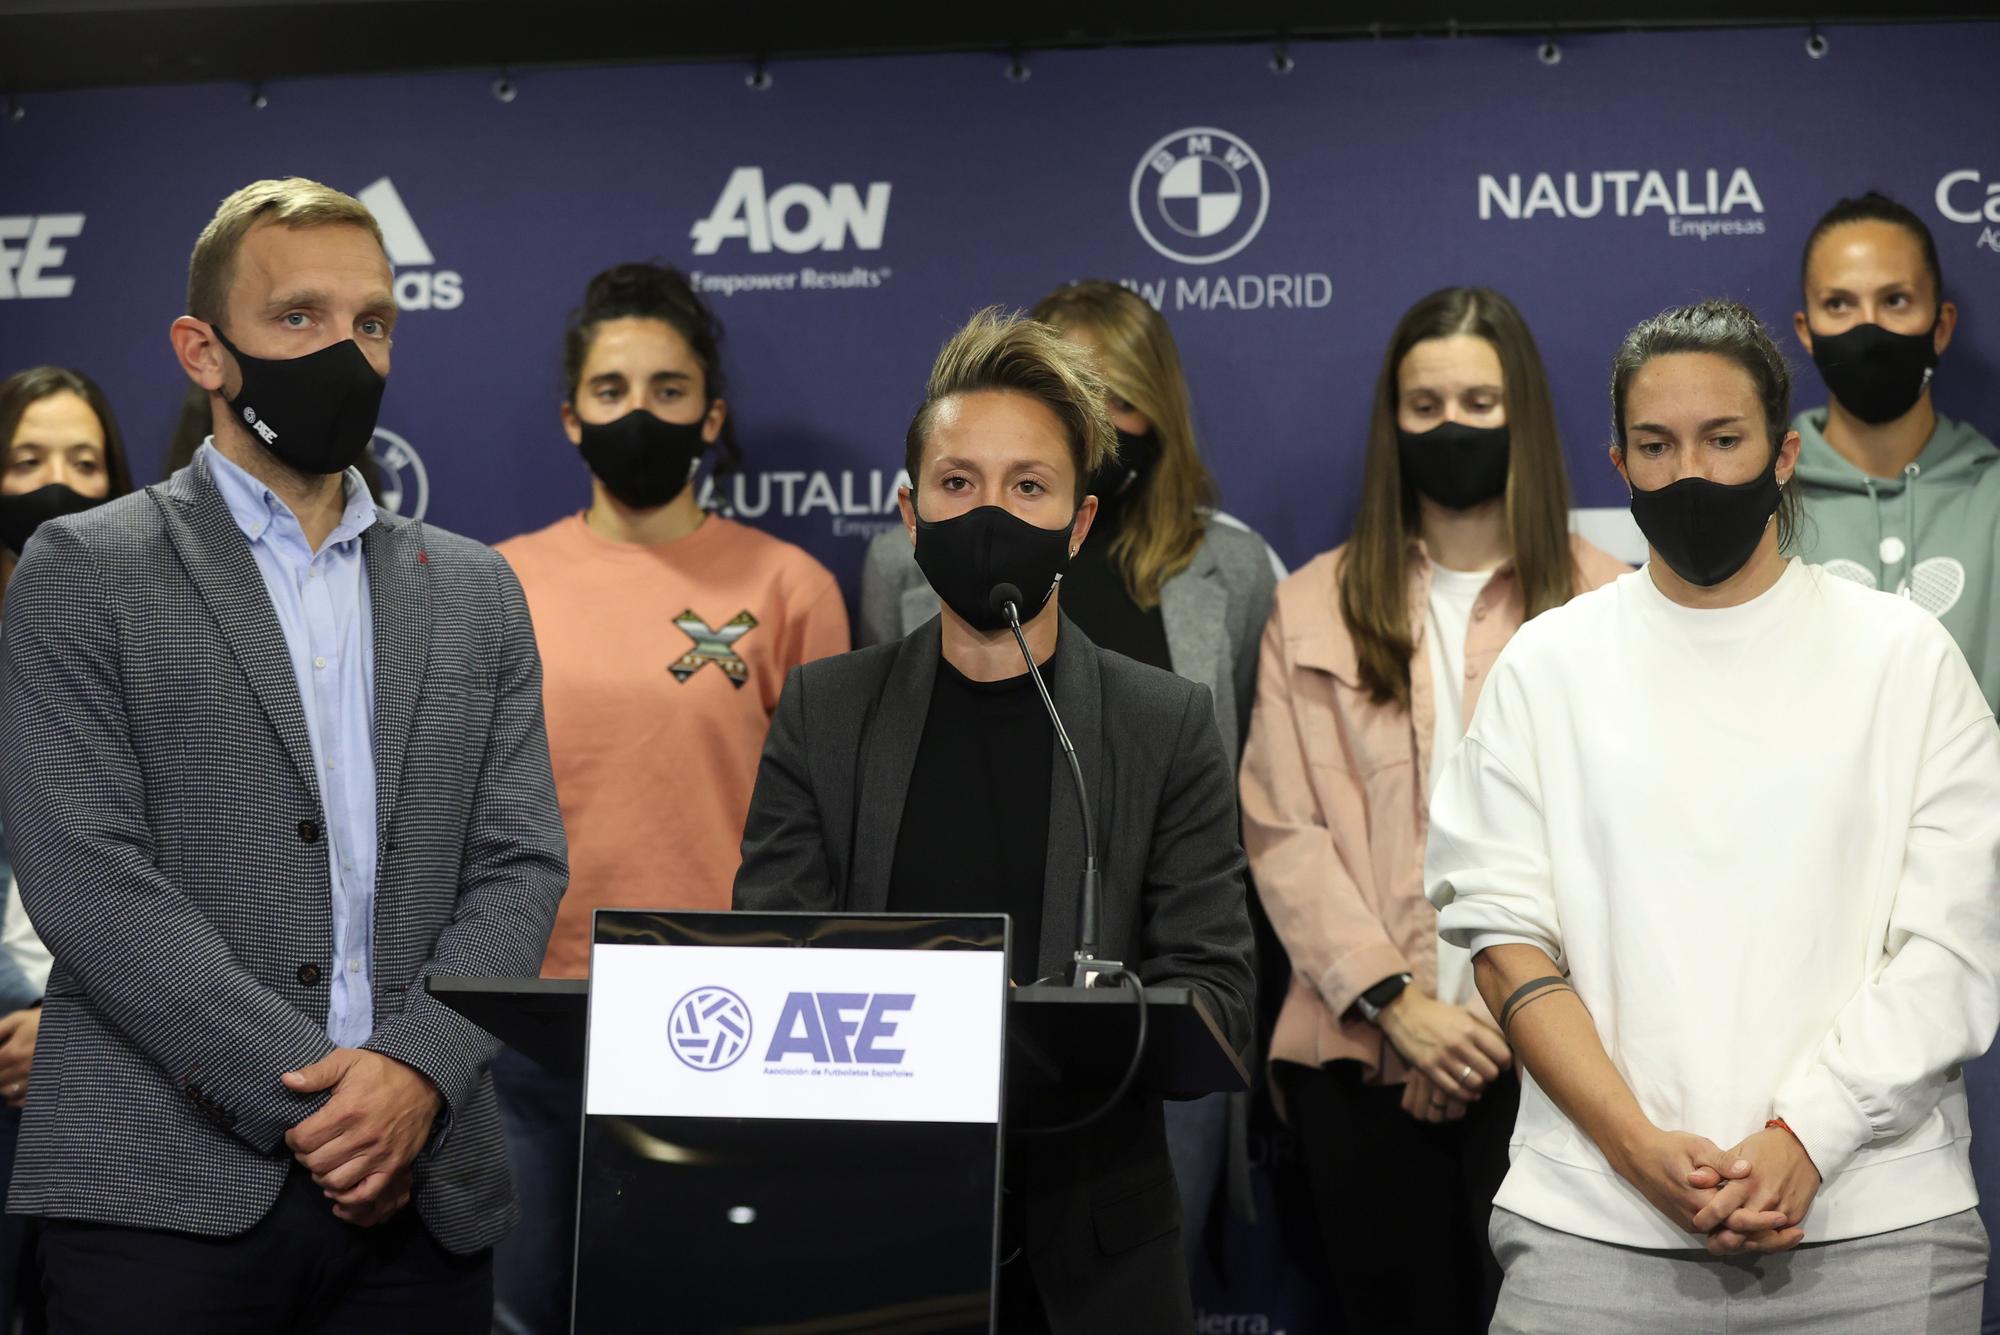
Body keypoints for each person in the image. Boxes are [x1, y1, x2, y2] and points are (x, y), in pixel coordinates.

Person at [0, 177, 568, 1331]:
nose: (346, 354)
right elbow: (83, 875)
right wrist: (319, 1100)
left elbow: (519, 867)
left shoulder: (475, 590)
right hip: (158, 1195)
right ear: (202, 350)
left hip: (423, 1198)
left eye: (372, 324)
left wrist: (413, 1072)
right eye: (298, 318)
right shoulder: (83, 568)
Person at [1427, 298, 2000, 1333]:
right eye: (1655, 445)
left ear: (1783, 455)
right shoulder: (1544, 668)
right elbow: (1503, 938)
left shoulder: (1903, 660)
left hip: (1875, 1228)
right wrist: (1632, 1148)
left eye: (1721, 439)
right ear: (1618, 462)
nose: (1688, 471)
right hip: (1588, 1231)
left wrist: (1807, 1136)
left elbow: (1952, 946)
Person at [734, 308, 1256, 1333]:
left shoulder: (1164, 726)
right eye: (957, 484)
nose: (989, 512)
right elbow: (768, 966)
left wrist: (1058, 1026)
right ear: (909, 511)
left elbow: (1218, 995)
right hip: (871, 1237)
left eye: (1028, 487)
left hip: (1095, 1250)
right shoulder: (823, 713)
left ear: (1079, 523)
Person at [860, 279, 1278, 1265]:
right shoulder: (896, 570)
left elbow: (1247, 789)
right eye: (1077, 395)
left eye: (1118, 398)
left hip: (1144, 1037)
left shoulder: (1235, 571)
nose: (1100, 420)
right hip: (931, 1041)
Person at [1240, 286, 1627, 1332]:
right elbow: (1282, 832)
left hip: (1555, 1065)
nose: (1449, 426)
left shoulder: (1607, 606)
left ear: (1525, 418)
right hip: (1358, 1060)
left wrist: (1495, 1022)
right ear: (1391, 422)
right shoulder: (1308, 604)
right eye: (1423, 406)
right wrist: (1399, 1004)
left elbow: (1615, 848)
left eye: (1476, 400)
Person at [490, 261, 848, 1335]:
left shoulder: (789, 588)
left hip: (722, 1022)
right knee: (520, 1312)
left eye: (666, 389)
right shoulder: (493, 583)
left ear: (711, 414)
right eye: (610, 391)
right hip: (530, 1018)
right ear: (569, 418)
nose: (636, 413)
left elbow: (832, 826)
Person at [0, 364, 136, 1332]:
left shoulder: (147, 655)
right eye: (27, 459)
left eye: (83, 462)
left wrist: (76, 1023)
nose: (56, 482)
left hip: (109, 1059)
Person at [1790, 191, 2000, 710]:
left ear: (1942, 325)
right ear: (1807, 332)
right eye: (1838, 304)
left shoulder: (1993, 496)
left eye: (1896, 300)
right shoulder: (1760, 497)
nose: (1869, 329)